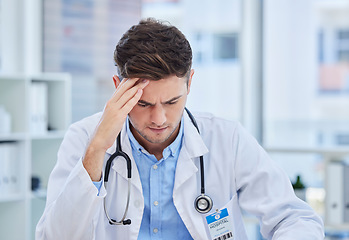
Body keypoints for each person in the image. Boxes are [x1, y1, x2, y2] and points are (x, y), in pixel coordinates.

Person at [36, 18, 324, 240]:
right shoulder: (86, 139)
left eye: (172, 101)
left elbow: (294, 218)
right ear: (118, 89)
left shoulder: (226, 139)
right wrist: (98, 149)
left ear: (190, 83)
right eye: (144, 103)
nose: (159, 118)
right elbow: (56, 236)